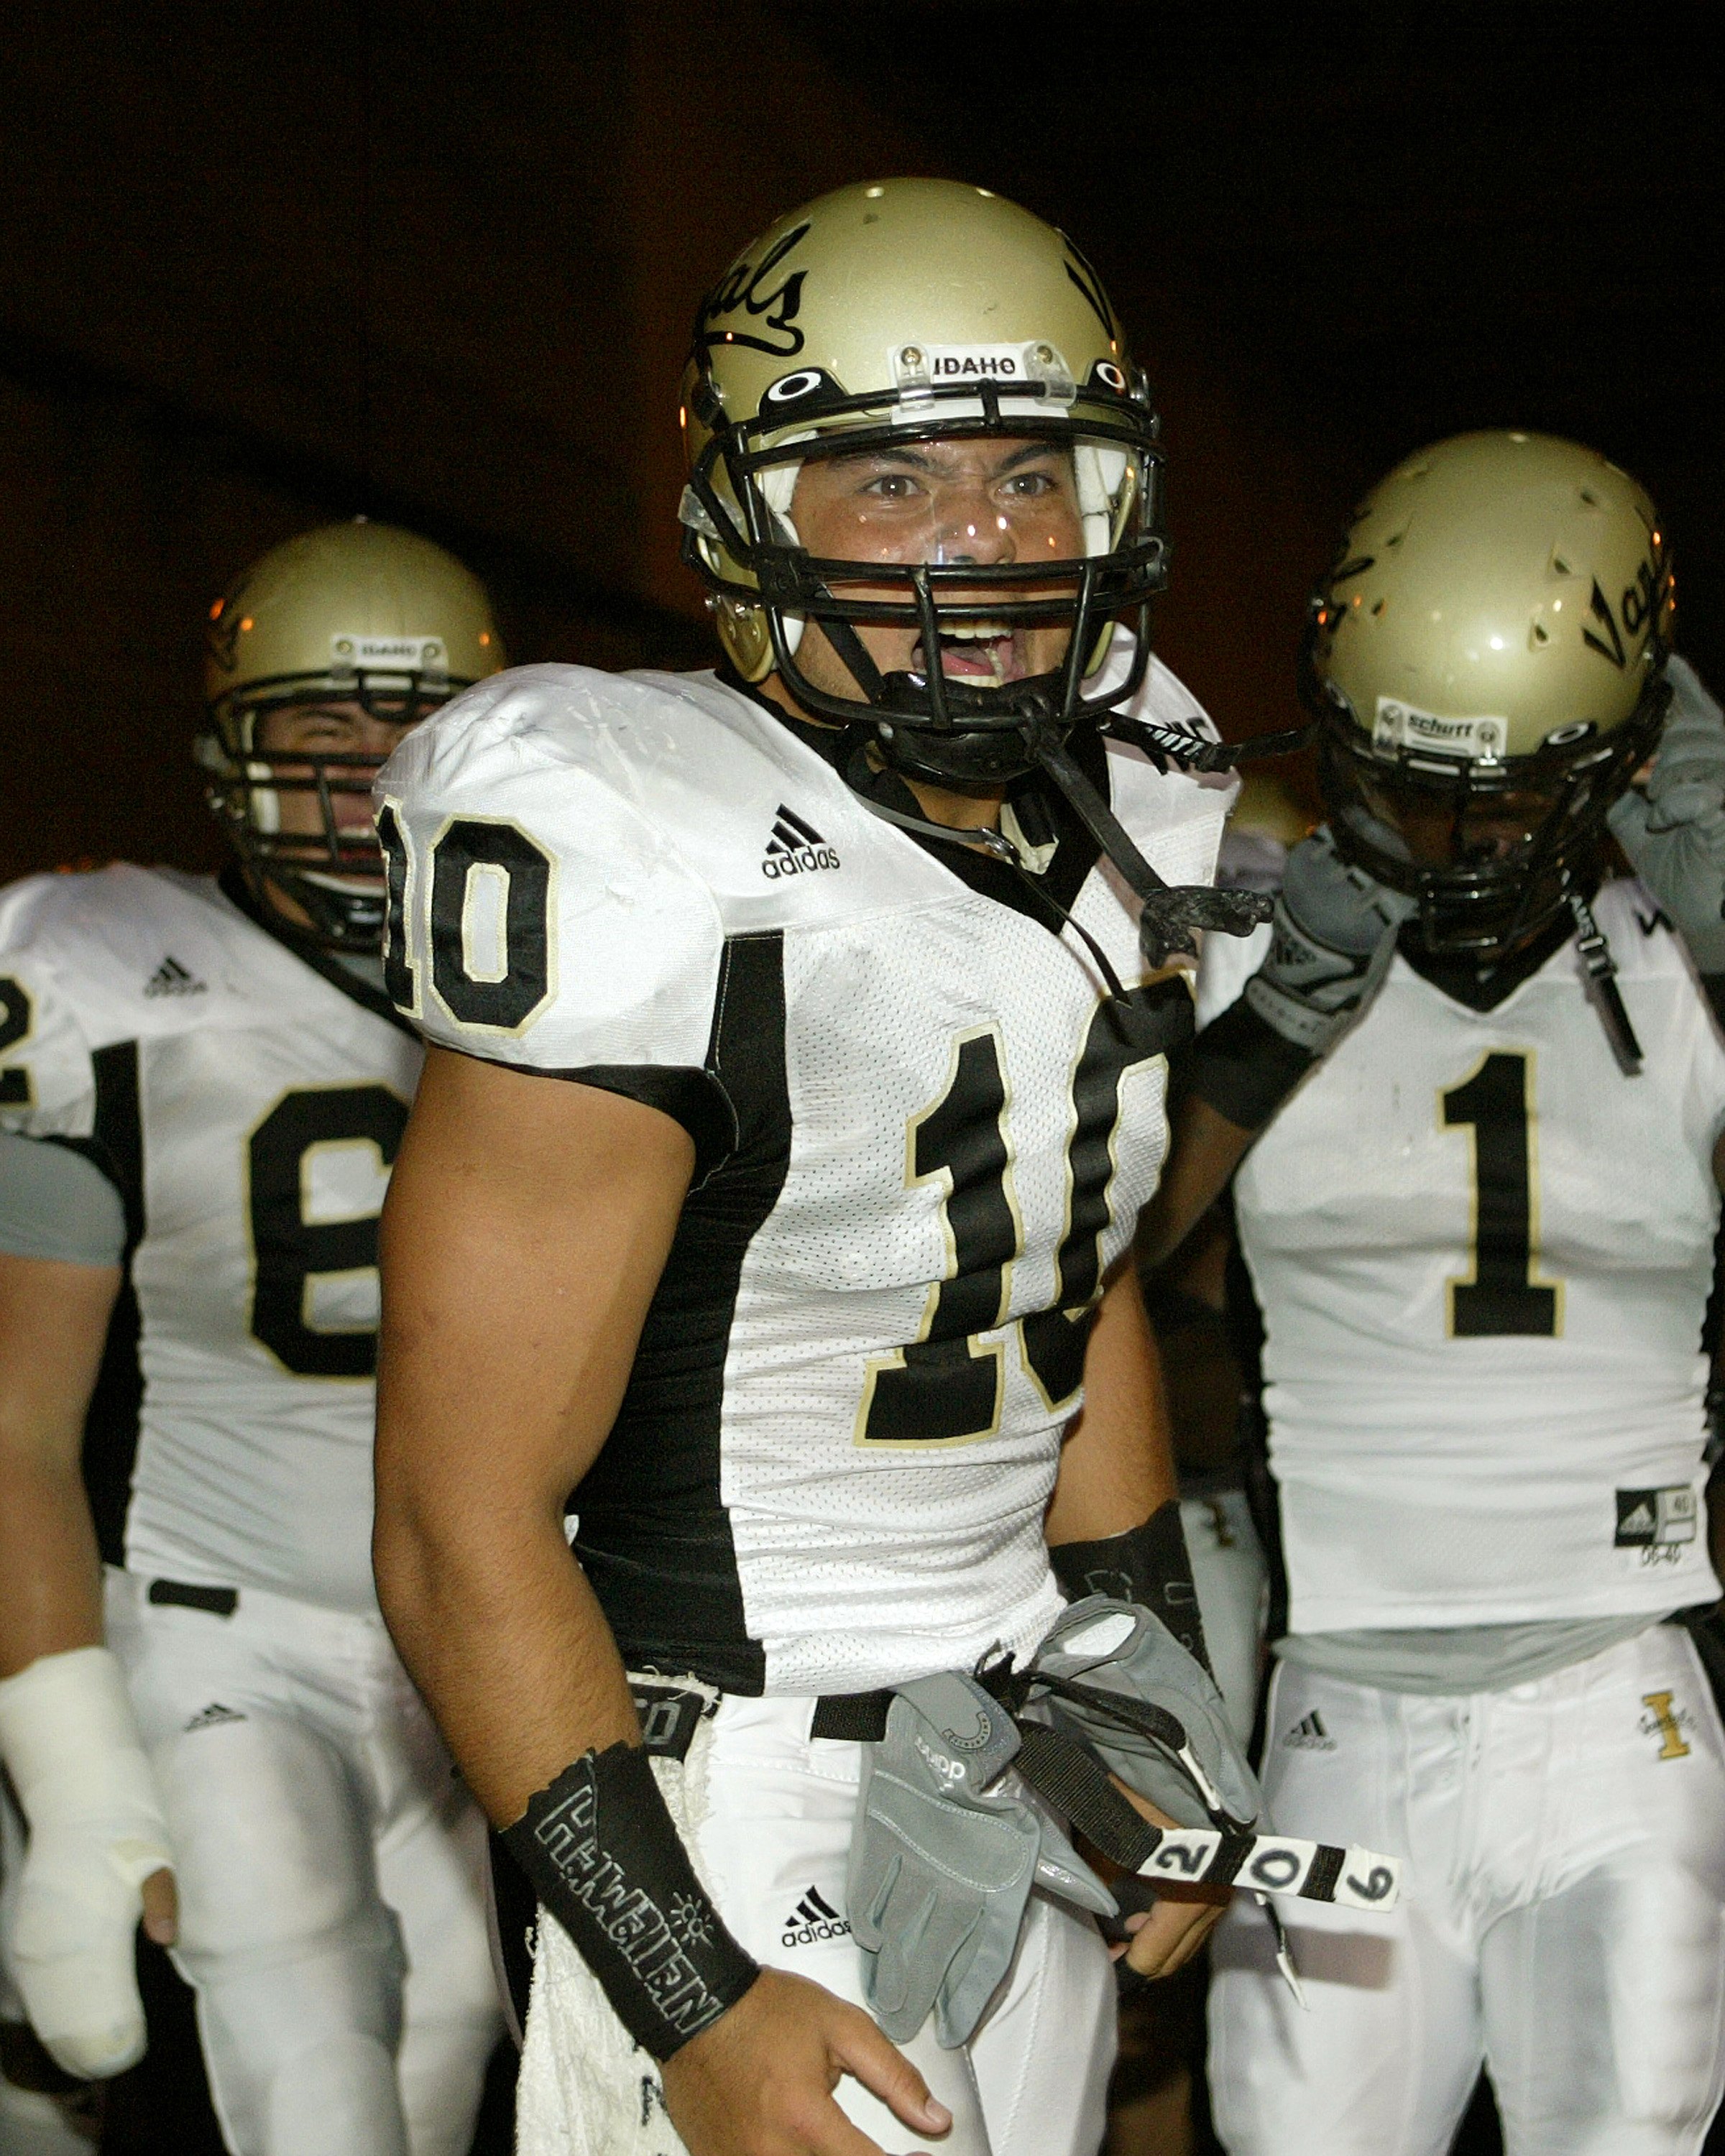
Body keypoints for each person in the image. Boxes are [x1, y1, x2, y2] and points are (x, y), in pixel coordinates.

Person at [366, 177, 1307, 2156]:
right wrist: (688, 1988)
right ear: (750, 521)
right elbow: (461, 1519)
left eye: (1030, 477)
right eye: (888, 481)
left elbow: (1071, 1258)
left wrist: (1141, 1667)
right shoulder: (643, 832)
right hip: (719, 1769)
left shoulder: (1140, 788)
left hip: (1019, 1726)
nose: (983, 542)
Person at [1143, 429, 1725, 2154]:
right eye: (1403, 777)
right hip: (1337, 1706)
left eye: (1509, 787)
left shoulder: (1681, 960)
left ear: (1619, 762)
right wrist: (1260, 1039)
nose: (1455, 835)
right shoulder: (1256, 942)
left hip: (1616, 1695)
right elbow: (1095, 1274)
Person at [0, 520, 507, 2156]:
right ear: (237, 753)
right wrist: (75, 1777)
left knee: (441, 2086)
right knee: (314, 2087)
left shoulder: (580, 989)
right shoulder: (102, 981)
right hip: (222, 1623)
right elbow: (13, 1427)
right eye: (320, 741)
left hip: (480, 1631)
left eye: (409, 746)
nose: (366, 788)